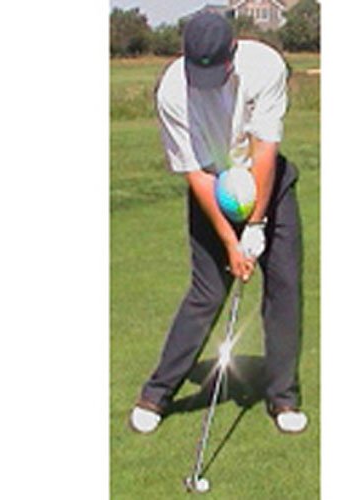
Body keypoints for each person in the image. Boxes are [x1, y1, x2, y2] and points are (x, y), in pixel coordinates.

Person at [130, 12, 307, 434]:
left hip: (266, 183)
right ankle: (156, 394)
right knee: (207, 292)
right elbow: (195, 173)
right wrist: (230, 241)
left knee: (284, 287)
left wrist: (257, 224)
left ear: (233, 53)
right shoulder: (172, 90)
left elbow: (264, 151)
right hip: (213, 183)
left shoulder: (264, 66)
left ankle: (283, 398)